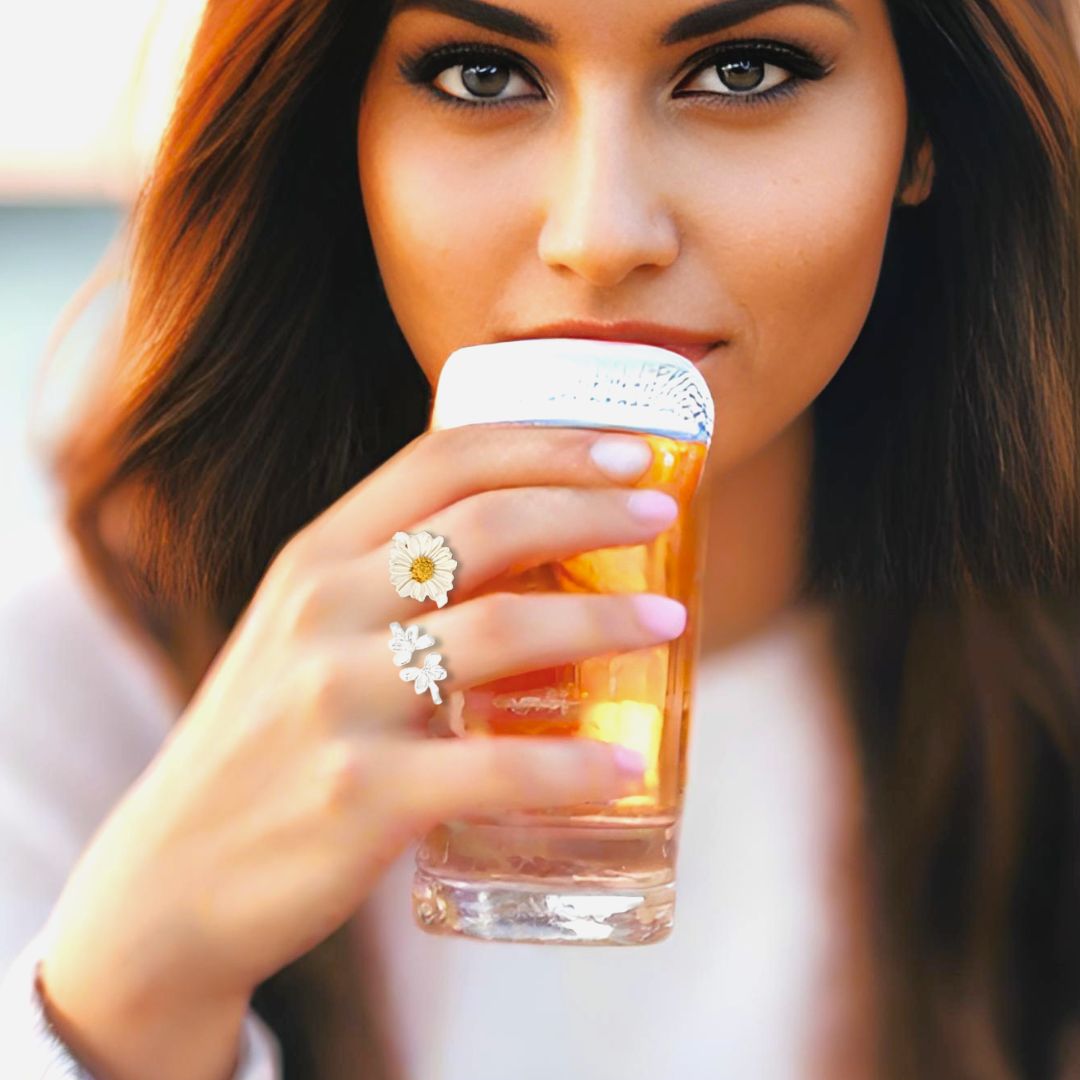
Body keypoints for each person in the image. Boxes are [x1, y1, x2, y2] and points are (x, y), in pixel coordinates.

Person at [1, 0, 1077, 1076]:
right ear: (347, 136)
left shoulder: (1047, 675)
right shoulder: (71, 672)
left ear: (924, 131)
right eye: (479, 74)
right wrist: (124, 996)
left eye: (744, 71)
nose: (599, 236)